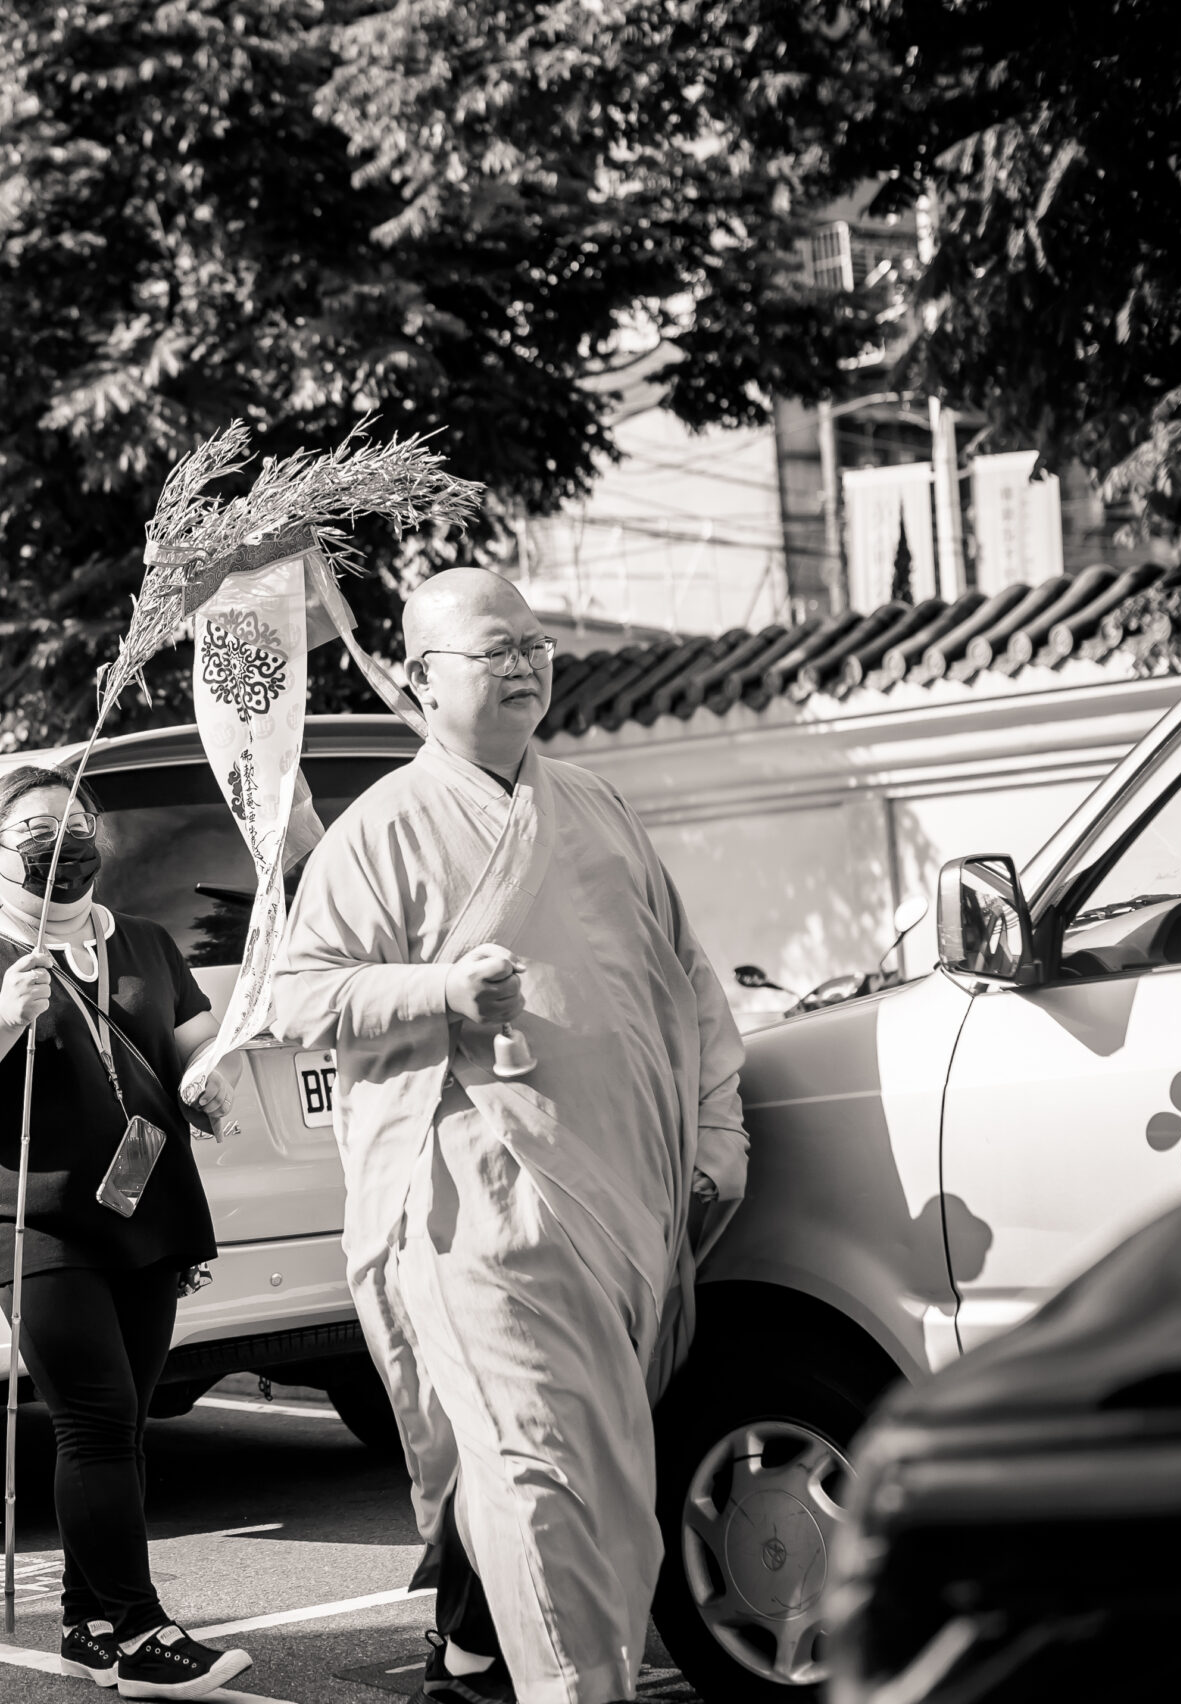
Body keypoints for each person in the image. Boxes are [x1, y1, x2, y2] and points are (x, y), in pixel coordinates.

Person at [271, 568, 747, 1704]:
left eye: (534, 643)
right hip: (477, 1208)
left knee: (603, 1484)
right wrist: (432, 991)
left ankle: (502, 1666)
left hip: (626, 1205)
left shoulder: (595, 803)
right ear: (423, 679)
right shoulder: (378, 831)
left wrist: (716, 1131)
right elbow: (296, 1001)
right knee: (537, 1478)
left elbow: (688, 985)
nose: (528, 663)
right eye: (496, 650)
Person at [0, 767, 253, 1702]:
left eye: (76, 819)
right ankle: (141, 1631)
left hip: (147, 1210)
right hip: (37, 1220)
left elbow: (196, 1042)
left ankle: (86, 1620)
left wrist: (208, 1082)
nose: (64, 838)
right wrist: (0, 1020)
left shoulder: (139, 939)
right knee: (94, 1420)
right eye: (36, 828)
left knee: (120, 1427)